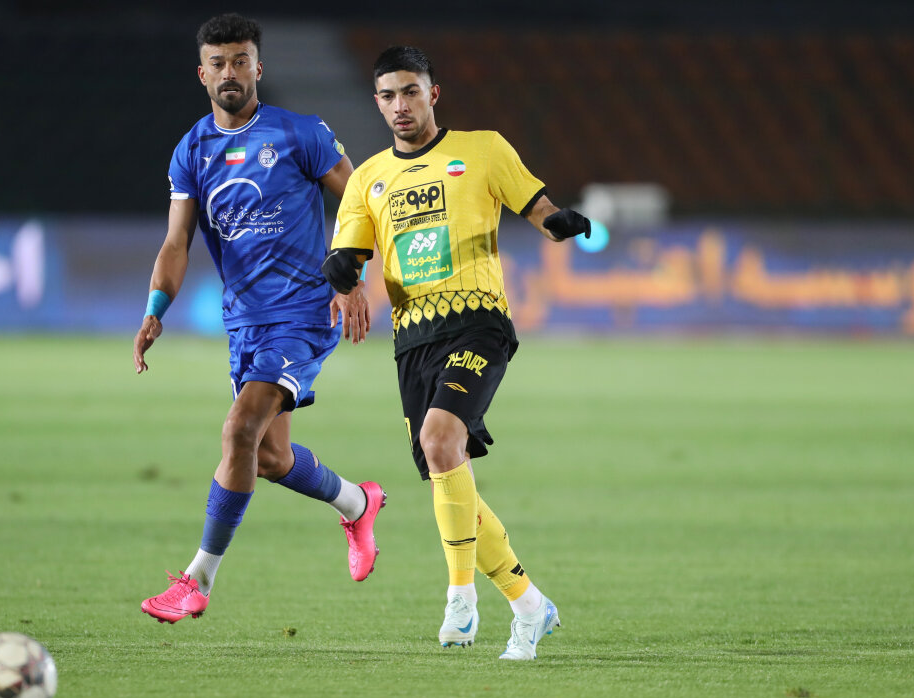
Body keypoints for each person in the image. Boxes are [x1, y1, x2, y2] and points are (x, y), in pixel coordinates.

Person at [322, 45, 591, 660]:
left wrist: (561, 222)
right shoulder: (367, 179)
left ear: (433, 93)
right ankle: (530, 605)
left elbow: (539, 208)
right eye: (388, 95)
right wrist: (342, 274)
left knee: (440, 439)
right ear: (377, 103)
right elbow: (348, 254)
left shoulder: (484, 150)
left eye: (410, 91)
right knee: (450, 470)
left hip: (478, 323)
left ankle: (460, 598)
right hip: (413, 342)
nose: (400, 105)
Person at [134, 13, 385, 625]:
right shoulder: (192, 151)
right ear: (202, 74)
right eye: (218, 63)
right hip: (244, 321)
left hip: (304, 312)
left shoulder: (300, 133)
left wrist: (349, 276)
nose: (230, 72)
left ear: (258, 68)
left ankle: (197, 580)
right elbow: (176, 243)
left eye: (240, 61)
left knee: (239, 429)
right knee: (269, 457)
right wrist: (155, 310)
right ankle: (358, 503)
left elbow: (362, 202)